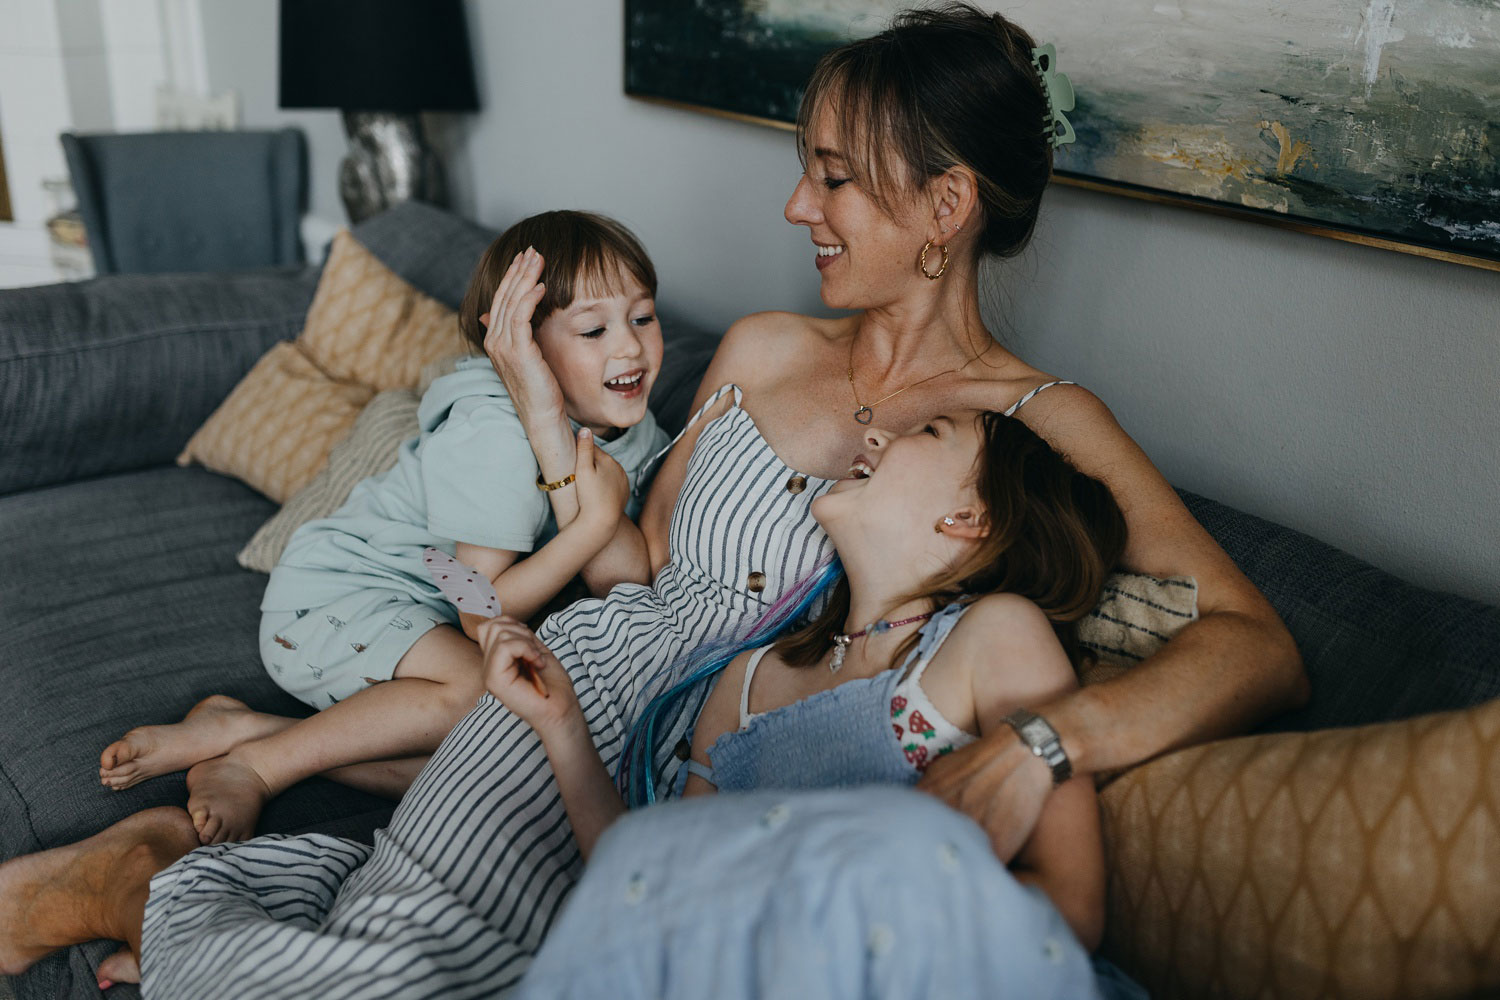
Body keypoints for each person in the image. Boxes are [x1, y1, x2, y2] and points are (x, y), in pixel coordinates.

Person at [0, 4, 1306, 995]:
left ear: (945, 205)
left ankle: (161, 887)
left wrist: (1046, 747)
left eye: (836, 175)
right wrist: (531, 398)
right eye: (809, 166)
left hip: (699, 778)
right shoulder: (763, 350)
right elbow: (634, 568)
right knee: (405, 945)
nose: (799, 203)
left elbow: (1256, 650)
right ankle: (159, 881)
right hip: (588, 684)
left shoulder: (1040, 425)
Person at [95, 210, 670, 846]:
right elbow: (481, 611)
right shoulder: (494, 436)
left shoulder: (636, 429)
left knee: (513, 770)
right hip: (336, 596)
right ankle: (258, 766)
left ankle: (244, 728)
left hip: (421, 614)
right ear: (523, 349)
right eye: (593, 329)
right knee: (481, 697)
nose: (630, 347)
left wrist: (595, 516)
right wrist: (589, 526)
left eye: (642, 317)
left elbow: (629, 585)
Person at [481, 409, 1127, 953]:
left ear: (969, 516)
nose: (872, 437)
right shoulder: (749, 679)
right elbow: (654, 881)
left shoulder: (994, 635)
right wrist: (560, 722)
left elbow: (1071, 912)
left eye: (930, 431)